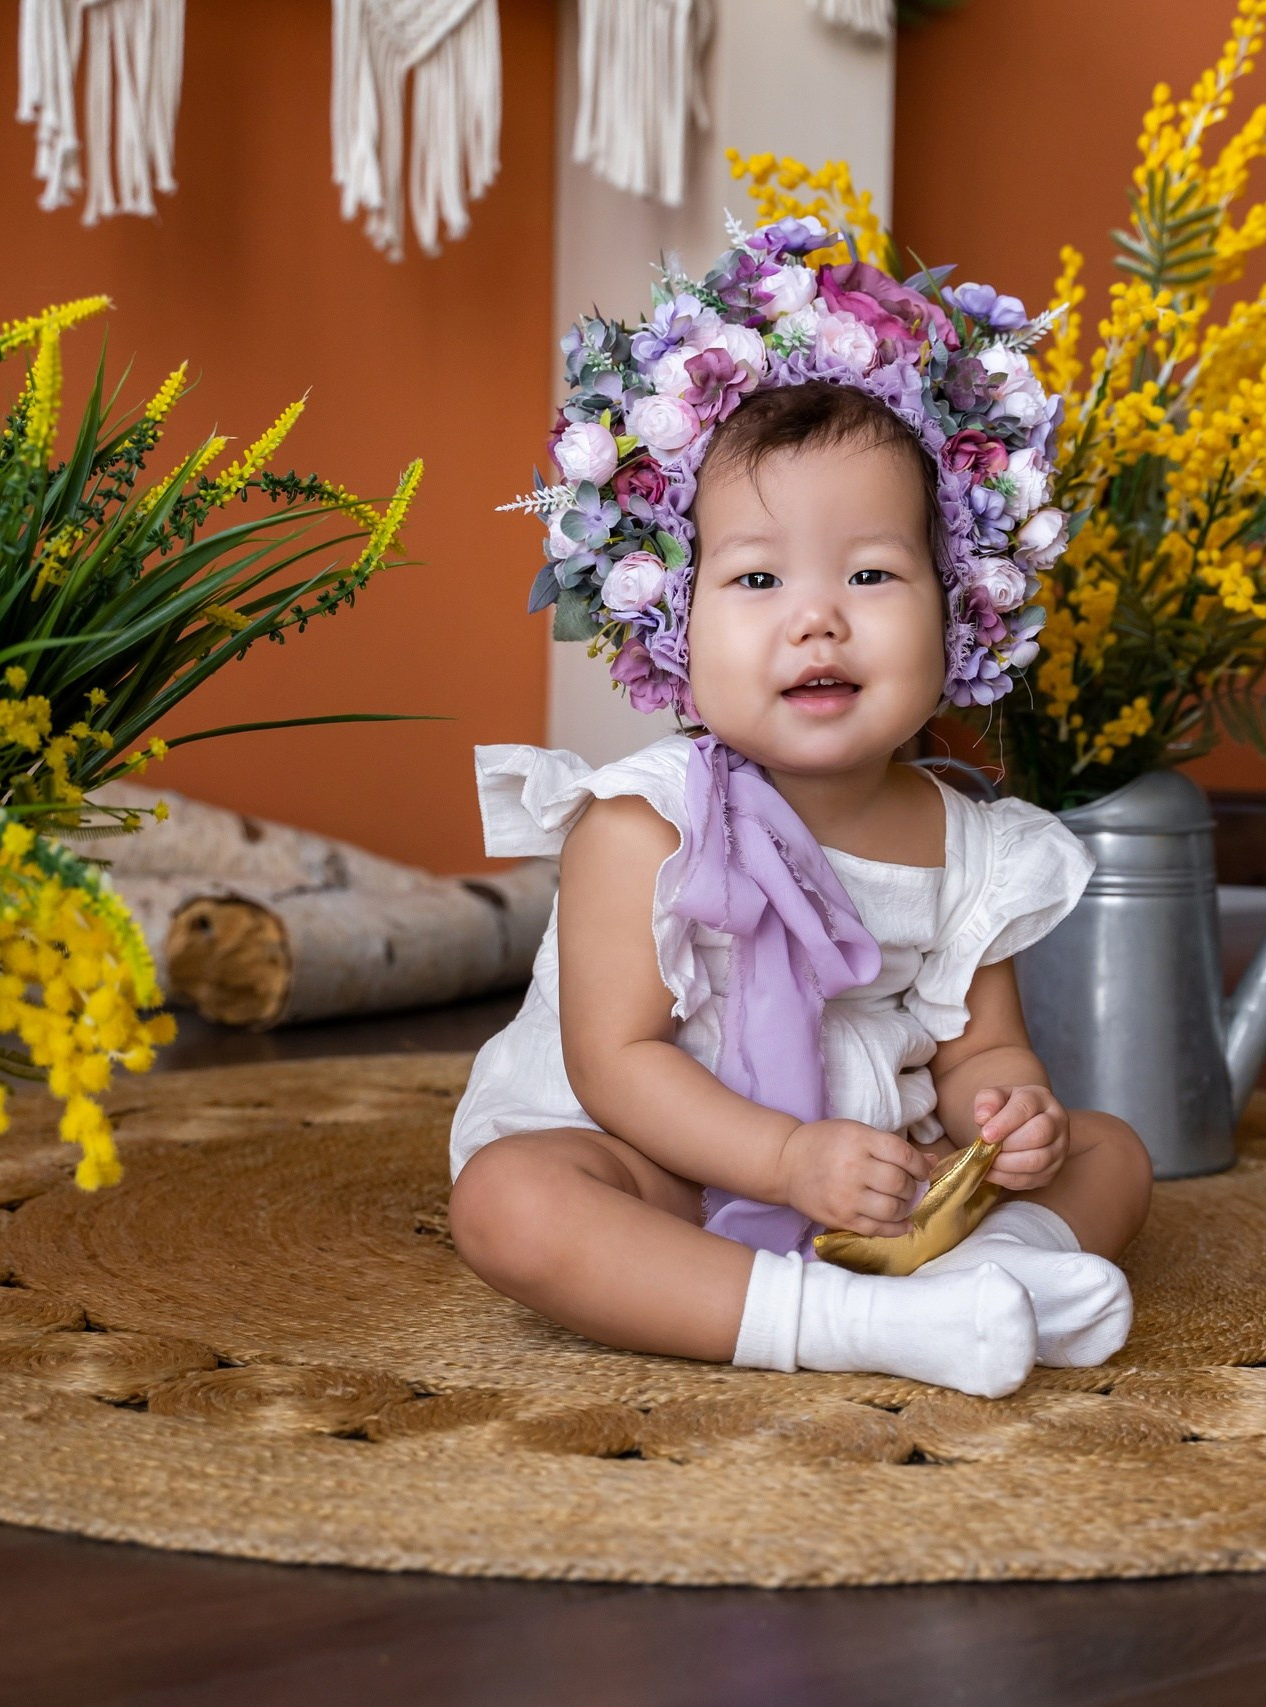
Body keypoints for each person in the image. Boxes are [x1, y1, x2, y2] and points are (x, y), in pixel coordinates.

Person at [448, 221, 1153, 1398]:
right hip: (665, 1167)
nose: (817, 618)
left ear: (958, 608)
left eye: (870, 574)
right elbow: (616, 1061)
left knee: (1111, 1152)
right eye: (757, 578)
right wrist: (783, 1160)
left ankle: (996, 1275)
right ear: (676, 619)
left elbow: (980, 1046)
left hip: (877, 1173)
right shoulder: (641, 826)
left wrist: (1005, 1113)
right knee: (510, 1205)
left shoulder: (969, 844)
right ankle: (850, 1321)